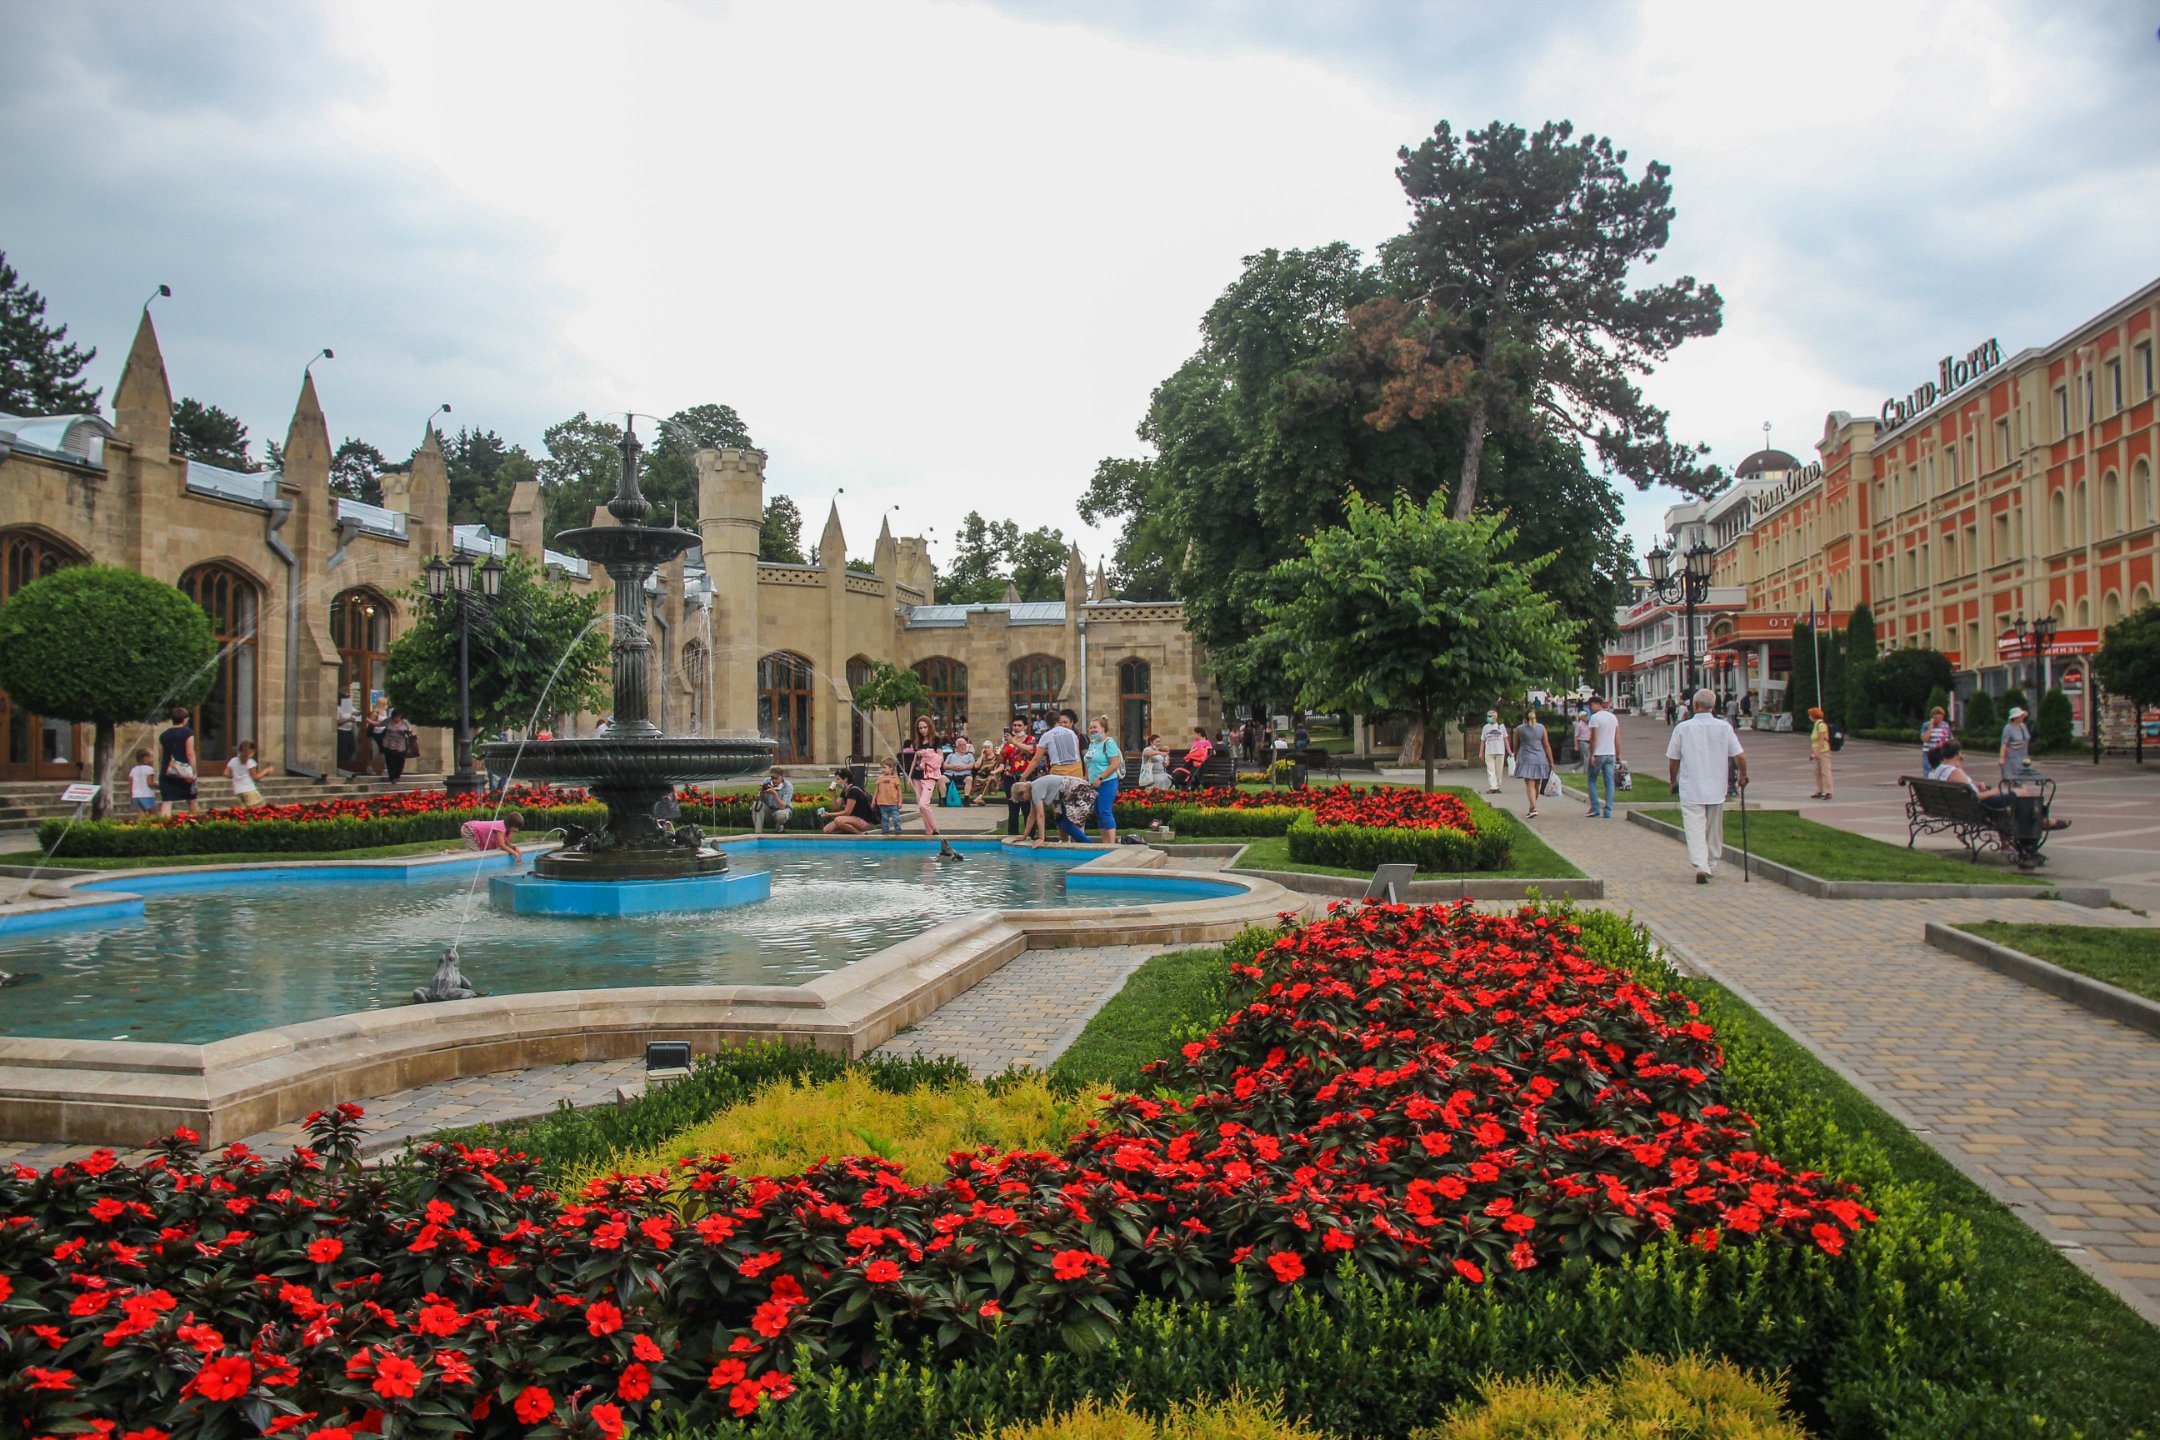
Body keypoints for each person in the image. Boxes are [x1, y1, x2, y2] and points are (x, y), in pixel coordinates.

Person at [1666, 689, 1749, 884]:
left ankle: (1700, 864)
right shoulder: (1724, 727)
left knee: (1694, 828)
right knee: (1714, 828)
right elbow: (1739, 756)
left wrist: (1673, 780)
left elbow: (1673, 759)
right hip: (1716, 786)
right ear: (1713, 706)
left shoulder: (1683, 728)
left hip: (1691, 786)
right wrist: (1743, 774)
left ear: (1695, 705)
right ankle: (1711, 862)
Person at [1012, 774, 1088, 844]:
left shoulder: (1035, 790)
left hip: (1077, 789)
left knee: (1066, 824)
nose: (1024, 801)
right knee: (1060, 821)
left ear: (1024, 792)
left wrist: (1041, 838)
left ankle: (1088, 845)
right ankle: (1074, 844)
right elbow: (1032, 816)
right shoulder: (1034, 790)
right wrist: (1024, 836)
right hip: (1069, 791)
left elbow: (1040, 815)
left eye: (1022, 799)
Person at [1086, 716, 1123, 845]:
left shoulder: (1109, 743)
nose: (1092, 730)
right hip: (1093, 783)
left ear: (1103, 728)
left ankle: (1111, 843)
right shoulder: (1092, 744)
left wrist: (1101, 778)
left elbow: (1114, 764)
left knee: (1105, 811)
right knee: (1098, 812)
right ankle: (1105, 841)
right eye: (1091, 727)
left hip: (1107, 782)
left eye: (1095, 727)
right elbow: (1089, 763)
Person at [156, 705, 198, 817]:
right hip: (184, 772)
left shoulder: (164, 735)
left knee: (167, 801)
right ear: (184, 719)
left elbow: (161, 756)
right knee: (191, 800)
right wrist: (194, 771)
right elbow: (190, 753)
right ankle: (198, 823)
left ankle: (164, 824)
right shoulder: (188, 733)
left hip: (167, 771)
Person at [1512, 708, 1554, 817]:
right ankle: (1532, 807)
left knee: (1530, 785)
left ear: (1524, 718)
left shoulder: (1519, 729)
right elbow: (1546, 745)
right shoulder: (1541, 728)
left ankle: (1533, 807)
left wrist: (1515, 757)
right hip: (1540, 758)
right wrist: (1551, 761)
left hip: (1526, 759)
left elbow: (1516, 745)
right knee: (1537, 784)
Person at [1584, 695, 1620, 818]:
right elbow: (1617, 738)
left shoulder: (1594, 718)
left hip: (1599, 753)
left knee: (1591, 780)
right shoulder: (1613, 717)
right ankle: (1608, 809)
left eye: (1591, 705)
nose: (1590, 708)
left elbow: (1594, 737)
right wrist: (1618, 753)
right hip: (1610, 753)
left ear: (1598, 704)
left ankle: (1595, 807)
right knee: (1609, 781)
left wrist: (1592, 754)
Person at [819, 770, 877, 834]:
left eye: (838, 779)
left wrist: (828, 814)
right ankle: (851, 832)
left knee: (838, 820)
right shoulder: (845, 791)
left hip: (863, 821)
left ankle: (860, 833)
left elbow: (847, 812)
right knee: (827, 830)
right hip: (851, 819)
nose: (836, 782)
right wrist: (833, 793)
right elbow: (835, 807)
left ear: (845, 779)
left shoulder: (853, 790)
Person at [1035, 710, 1085, 780]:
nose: (1063, 725)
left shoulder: (1047, 735)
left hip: (1060, 773)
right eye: (1061, 722)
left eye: (1065, 722)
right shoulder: (1072, 733)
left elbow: (1036, 760)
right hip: (1076, 772)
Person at [911, 738, 944, 837]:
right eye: (920, 729)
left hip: (929, 776)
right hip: (917, 776)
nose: (922, 730)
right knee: (921, 807)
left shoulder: (935, 740)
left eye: (924, 729)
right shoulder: (917, 741)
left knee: (923, 804)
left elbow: (940, 759)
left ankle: (934, 829)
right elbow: (915, 760)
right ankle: (929, 831)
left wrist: (926, 754)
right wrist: (909, 775)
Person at [751, 767, 794, 834]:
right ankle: (758, 833)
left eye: (776, 778)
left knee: (782, 815)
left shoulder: (788, 786)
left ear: (782, 777)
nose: (774, 780)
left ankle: (779, 827)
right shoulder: (767, 781)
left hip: (781, 810)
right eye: (772, 778)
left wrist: (774, 793)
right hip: (768, 810)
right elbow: (760, 801)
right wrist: (762, 792)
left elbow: (782, 806)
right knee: (756, 805)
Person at [1478, 710, 1512, 793]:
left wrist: (1509, 751)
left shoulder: (1501, 727)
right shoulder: (1485, 727)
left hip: (1500, 751)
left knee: (1499, 771)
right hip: (1489, 751)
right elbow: (1483, 740)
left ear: (1495, 717)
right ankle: (1493, 787)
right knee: (1490, 770)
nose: (1488, 718)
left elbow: (1505, 740)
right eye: (1488, 716)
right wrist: (1481, 752)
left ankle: (1497, 786)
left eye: (1490, 716)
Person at [380, 711, 417, 785]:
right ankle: (392, 777)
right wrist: (367, 719)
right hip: (389, 744)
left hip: (401, 745)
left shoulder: (405, 722)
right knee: (390, 762)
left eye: (399, 717)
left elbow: (409, 730)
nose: (397, 719)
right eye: (395, 717)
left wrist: (409, 732)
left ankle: (397, 776)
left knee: (400, 761)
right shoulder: (388, 721)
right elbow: (378, 724)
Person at [225, 739, 265, 808]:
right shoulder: (250, 762)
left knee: (243, 811)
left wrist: (236, 776)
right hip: (250, 789)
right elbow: (255, 777)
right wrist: (266, 771)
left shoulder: (233, 760)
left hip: (238, 790)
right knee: (257, 810)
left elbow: (226, 774)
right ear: (252, 751)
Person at [2000, 705, 2033, 782]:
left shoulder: (2023, 726)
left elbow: (2026, 740)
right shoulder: (2008, 728)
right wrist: (2002, 758)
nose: (2022, 718)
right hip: (2012, 757)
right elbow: (2004, 744)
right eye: (2020, 716)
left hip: (2023, 756)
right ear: (2015, 718)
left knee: (2023, 779)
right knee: (2013, 779)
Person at [872, 760, 904, 834]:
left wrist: (900, 801)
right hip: (883, 803)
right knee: (884, 818)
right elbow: (877, 790)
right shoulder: (880, 778)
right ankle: (885, 831)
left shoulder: (895, 778)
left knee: (896, 818)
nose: (883, 769)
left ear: (891, 768)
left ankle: (898, 831)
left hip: (893, 803)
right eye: (882, 767)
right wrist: (874, 799)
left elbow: (899, 790)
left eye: (884, 767)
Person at [1808, 706, 1833, 799]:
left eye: (1810, 715)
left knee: (1825, 772)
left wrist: (1817, 752)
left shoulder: (1821, 725)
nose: (1809, 717)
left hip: (1824, 751)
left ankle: (1828, 791)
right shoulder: (1815, 725)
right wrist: (1813, 753)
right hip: (1817, 752)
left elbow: (1822, 740)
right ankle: (1819, 790)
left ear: (1814, 716)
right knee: (1817, 772)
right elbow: (1814, 742)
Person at [127, 747, 158, 821]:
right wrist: (159, 786)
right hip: (147, 795)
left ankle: (141, 826)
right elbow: (150, 783)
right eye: (151, 757)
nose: (153, 759)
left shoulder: (133, 770)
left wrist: (131, 796)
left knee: (140, 814)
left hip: (136, 796)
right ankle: (153, 826)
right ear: (145, 758)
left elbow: (130, 785)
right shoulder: (150, 769)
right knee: (153, 813)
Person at [944, 735, 976, 804]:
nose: (963, 747)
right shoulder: (951, 755)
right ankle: (943, 800)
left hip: (964, 775)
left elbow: (972, 765)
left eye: (964, 745)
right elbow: (944, 765)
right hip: (951, 774)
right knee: (940, 779)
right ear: (957, 747)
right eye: (960, 745)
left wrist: (963, 768)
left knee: (969, 779)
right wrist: (952, 766)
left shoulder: (969, 755)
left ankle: (966, 800)